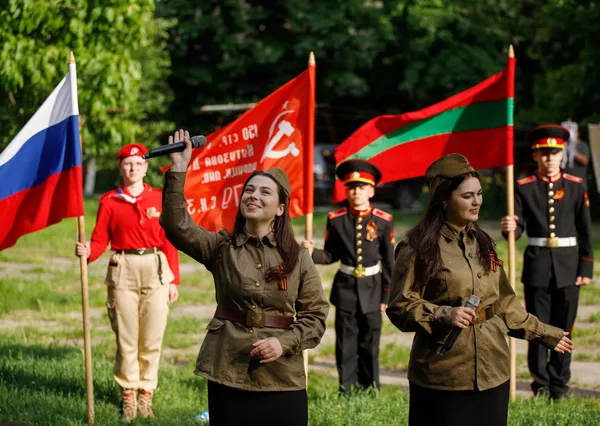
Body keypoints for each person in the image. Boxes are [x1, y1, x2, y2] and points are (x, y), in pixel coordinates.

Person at [387, 153, 574, 426]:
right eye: (467, 196)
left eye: (479, 194)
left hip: (493, 368)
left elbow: (504, 304)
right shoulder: (417, 247)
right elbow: (400, 306)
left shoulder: (483, 242)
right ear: (443, 199)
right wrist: (444, 314)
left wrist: (546, 334)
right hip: (444, 374)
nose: (477, 202)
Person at [159, 130, 329, 426]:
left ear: (280, 209)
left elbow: (315, 316)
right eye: (249, 190)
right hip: (228, 365)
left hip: (282, 374)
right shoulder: (221, 248)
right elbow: (176, 226)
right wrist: (178, 168)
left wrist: (284, 342)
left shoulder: (298, 258)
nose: (253, 195)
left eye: (265, 192)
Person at [75, 143, 181, 422]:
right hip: (123, 268)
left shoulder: (159, 199)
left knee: (152, 336)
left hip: (156, 267)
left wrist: (173, 279)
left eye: (138, 163)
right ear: (120, 168)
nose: (133, 168)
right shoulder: (109, 201)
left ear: (146, 168)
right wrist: (88, 253)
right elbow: (100, 239)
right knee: (126, 337)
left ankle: (146, 393)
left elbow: (169, 240)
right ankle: (128, 393)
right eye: (127, 164)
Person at [500, 124, 593, 399]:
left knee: (565, 326)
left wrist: (585, 267)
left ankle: (559, 385)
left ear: (562, 153)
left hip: (569, 266)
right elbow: (517, 231)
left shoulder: (575, 187)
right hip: (538, 265)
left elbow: (586, 230)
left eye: (554, 152)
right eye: (544, 153)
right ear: (535, 156)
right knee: (537, 326)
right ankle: (540, 384)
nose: (550, 158)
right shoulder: (523, 188)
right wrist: (509, 227)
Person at [301, 159, 394, 394]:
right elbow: (331, 255)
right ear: (346, 190)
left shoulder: (383, 221)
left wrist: (387, 295)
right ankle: (347, 389)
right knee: (346, 343)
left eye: (362, 187)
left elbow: (390, 262)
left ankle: (371, 388)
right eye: (351, 187)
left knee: (370, 343)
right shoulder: (336, 219)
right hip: (346, 291)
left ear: (371, 190)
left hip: (373, 289)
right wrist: (312, 253)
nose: (356, 192)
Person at [561, 120, 591, 190]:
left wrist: (572, 151)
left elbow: (585, 161)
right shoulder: (562, 145)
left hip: (579, 184)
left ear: (577, 133)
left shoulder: (582, 145)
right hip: (565, 184)